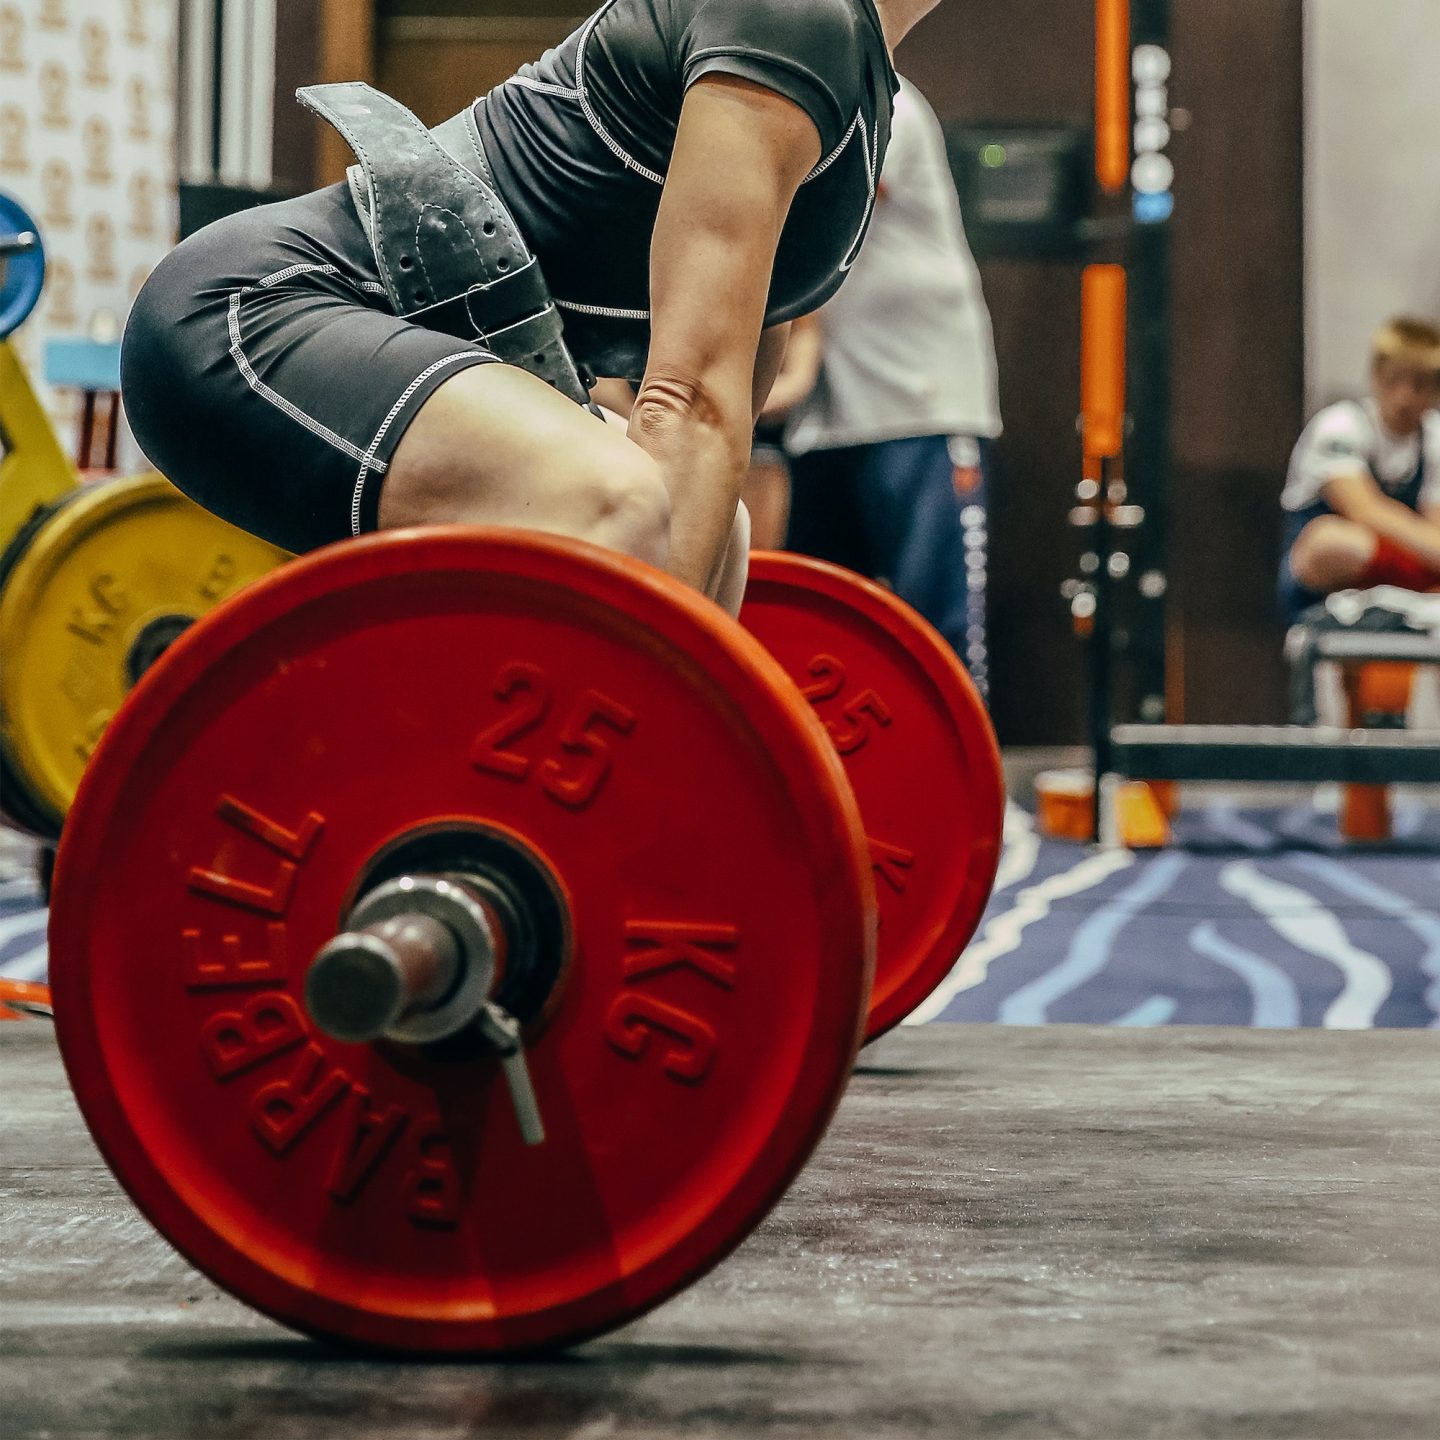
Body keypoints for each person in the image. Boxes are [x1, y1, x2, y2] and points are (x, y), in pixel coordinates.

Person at [121, 0, 946, 620]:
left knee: (716, 528)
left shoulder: (863, 88)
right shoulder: (789, 15)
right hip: (248, 315)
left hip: (407, 341)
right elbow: (688, 403)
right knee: (618, 500)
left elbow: (717, 440)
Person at [772, 75, 1001, 682]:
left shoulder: (877, 95)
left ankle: (961, 781)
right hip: (827, 420)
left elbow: (802, 217)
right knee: (813, 640)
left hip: (918, 406)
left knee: (938, 638)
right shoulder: (786, 86)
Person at [1279, 316, 1440, 624]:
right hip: (1322, 584)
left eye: (1418, 385)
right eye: (1394, 380)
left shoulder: (1434, 438)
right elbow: (1366, 511)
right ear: (1377, 376)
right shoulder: (1339, 426)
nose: (1405, 396)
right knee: (1332, 541)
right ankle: (1419, 586)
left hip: (1404, 579)